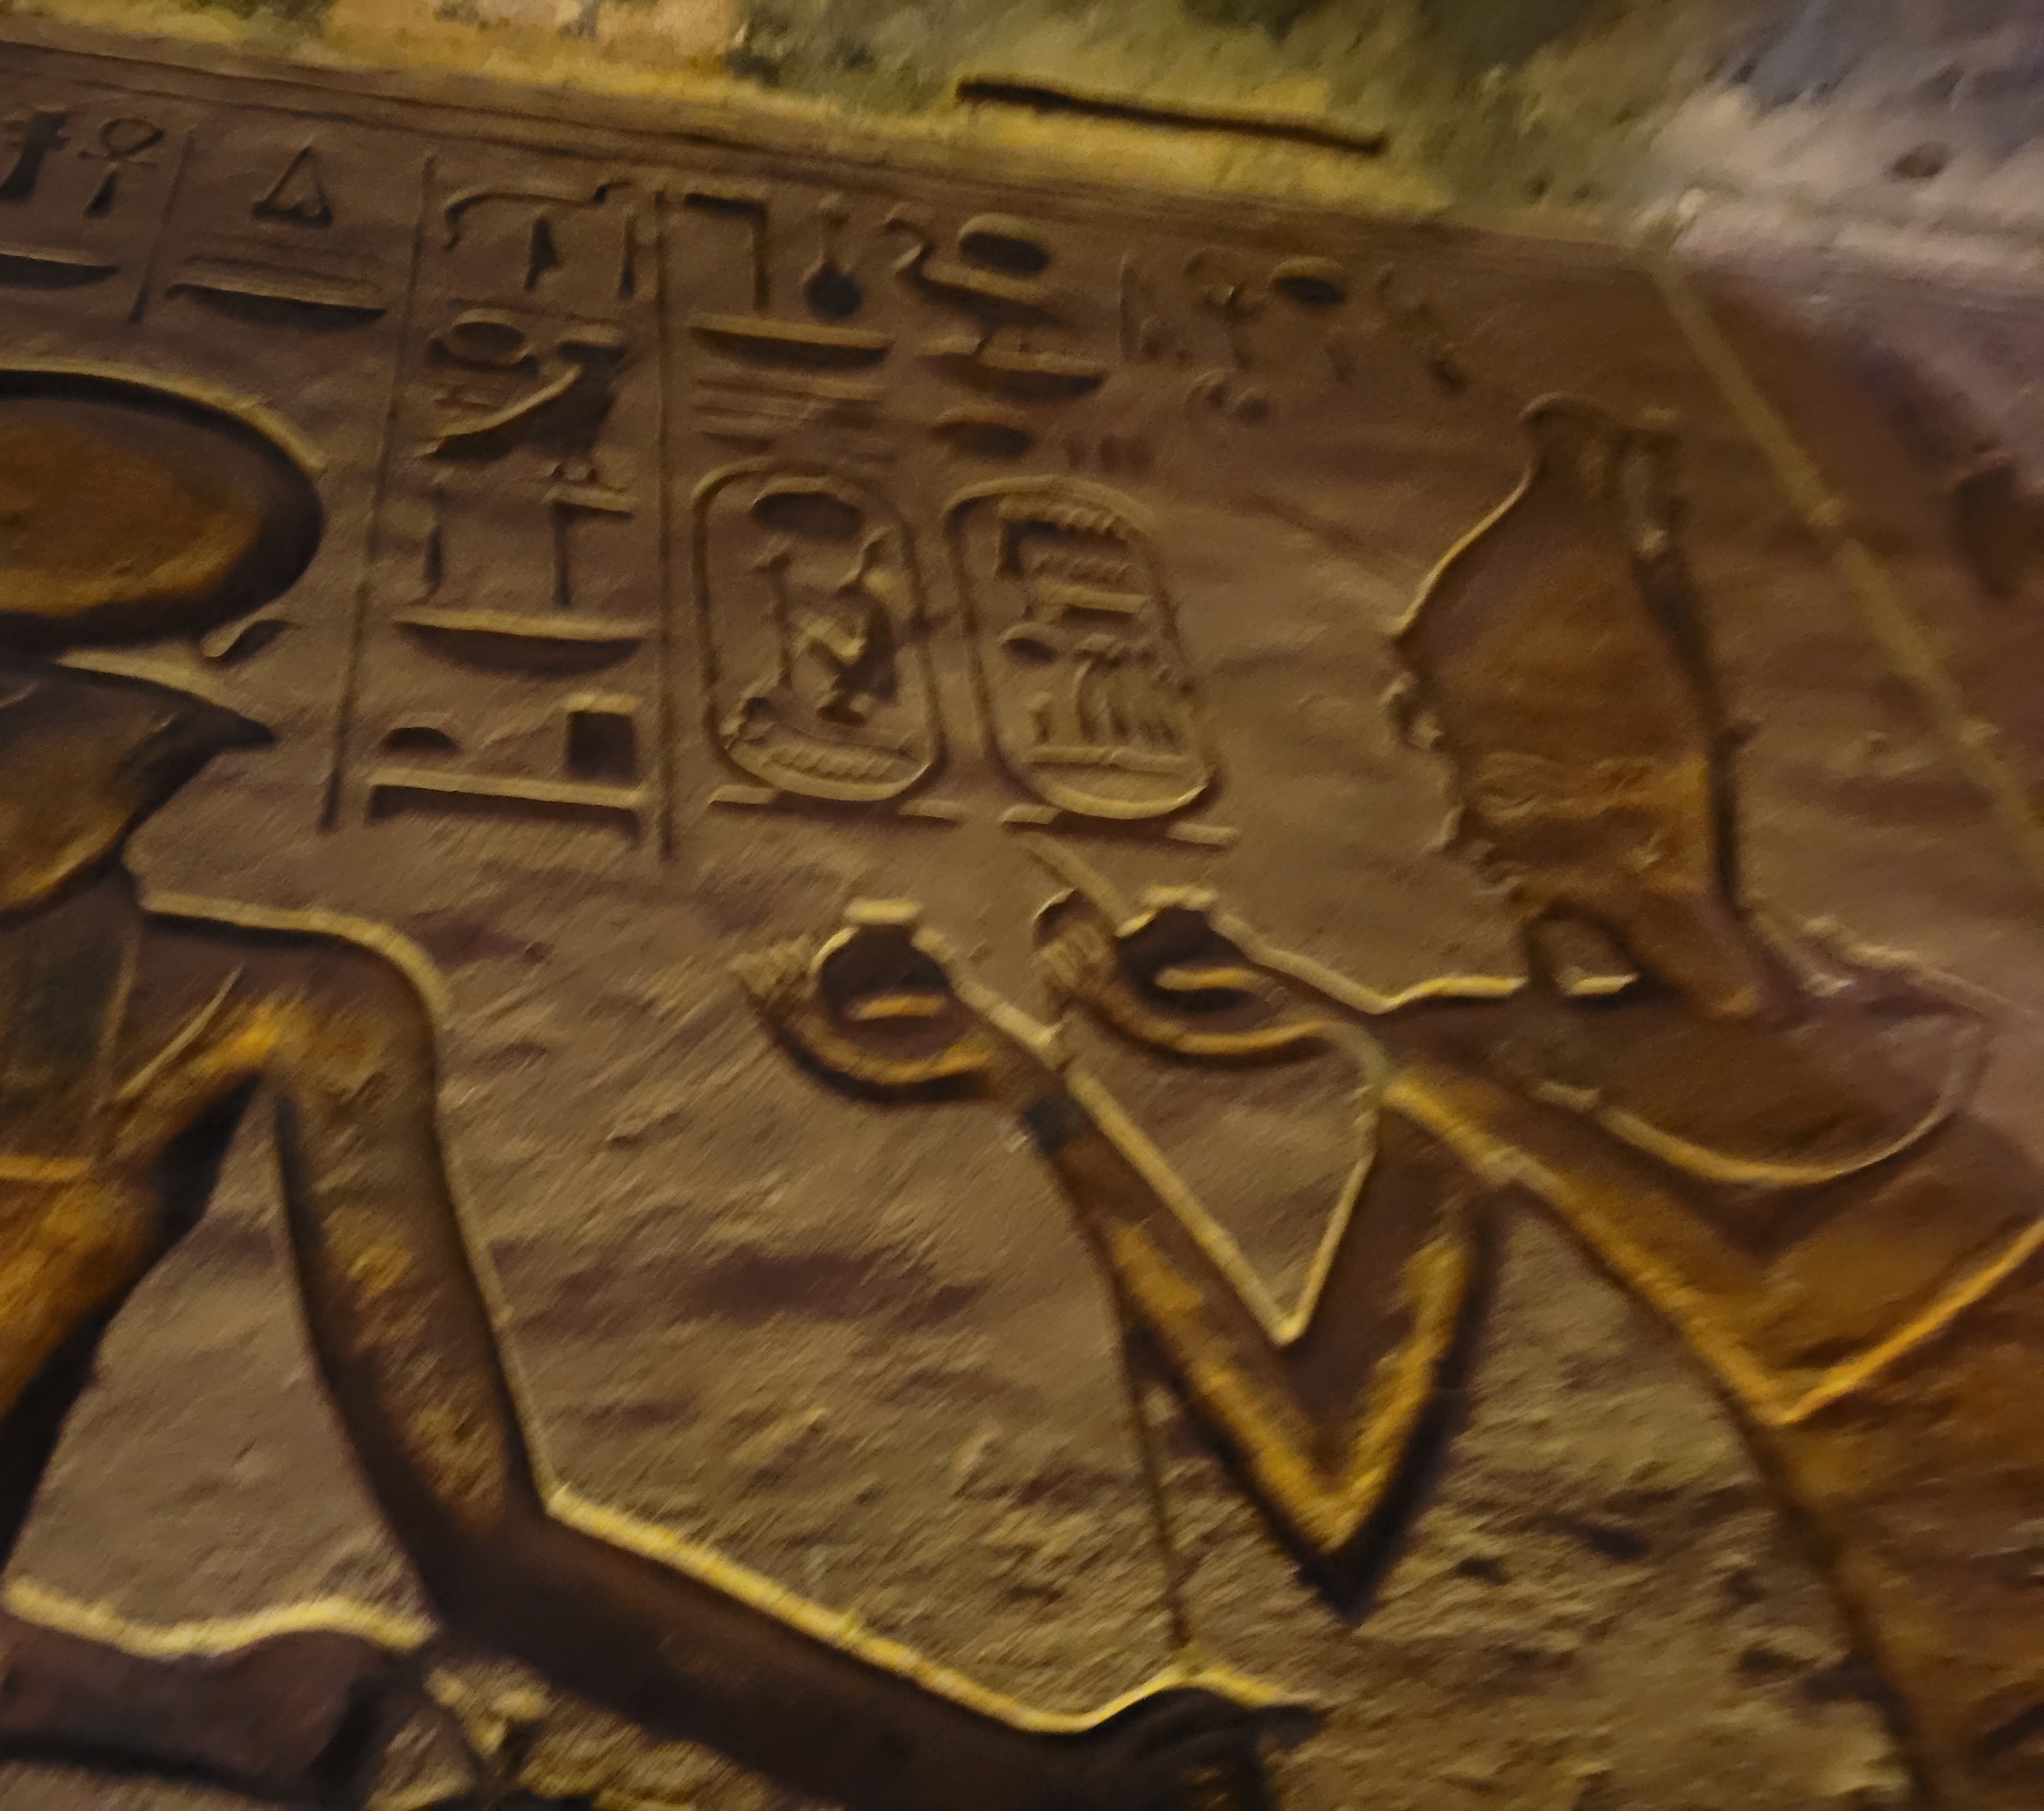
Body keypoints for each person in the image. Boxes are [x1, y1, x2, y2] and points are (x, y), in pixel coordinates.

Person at [0, 365, 1295, 1811]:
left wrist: (1006, 1778)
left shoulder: (282, 1006)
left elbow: (501, 1546)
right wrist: (172, 1708)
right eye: (107, 740)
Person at [738, 396, 2044, 1811]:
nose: (1468, 833)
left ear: (1651, 771)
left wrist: (1398, 1059)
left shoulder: (1945, 1029)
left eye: (1509, 780)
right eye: (1470, 780)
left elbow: (1800, 1304)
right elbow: (1321, 1462)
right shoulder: (1483, 1059)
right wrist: (1038, 1089)